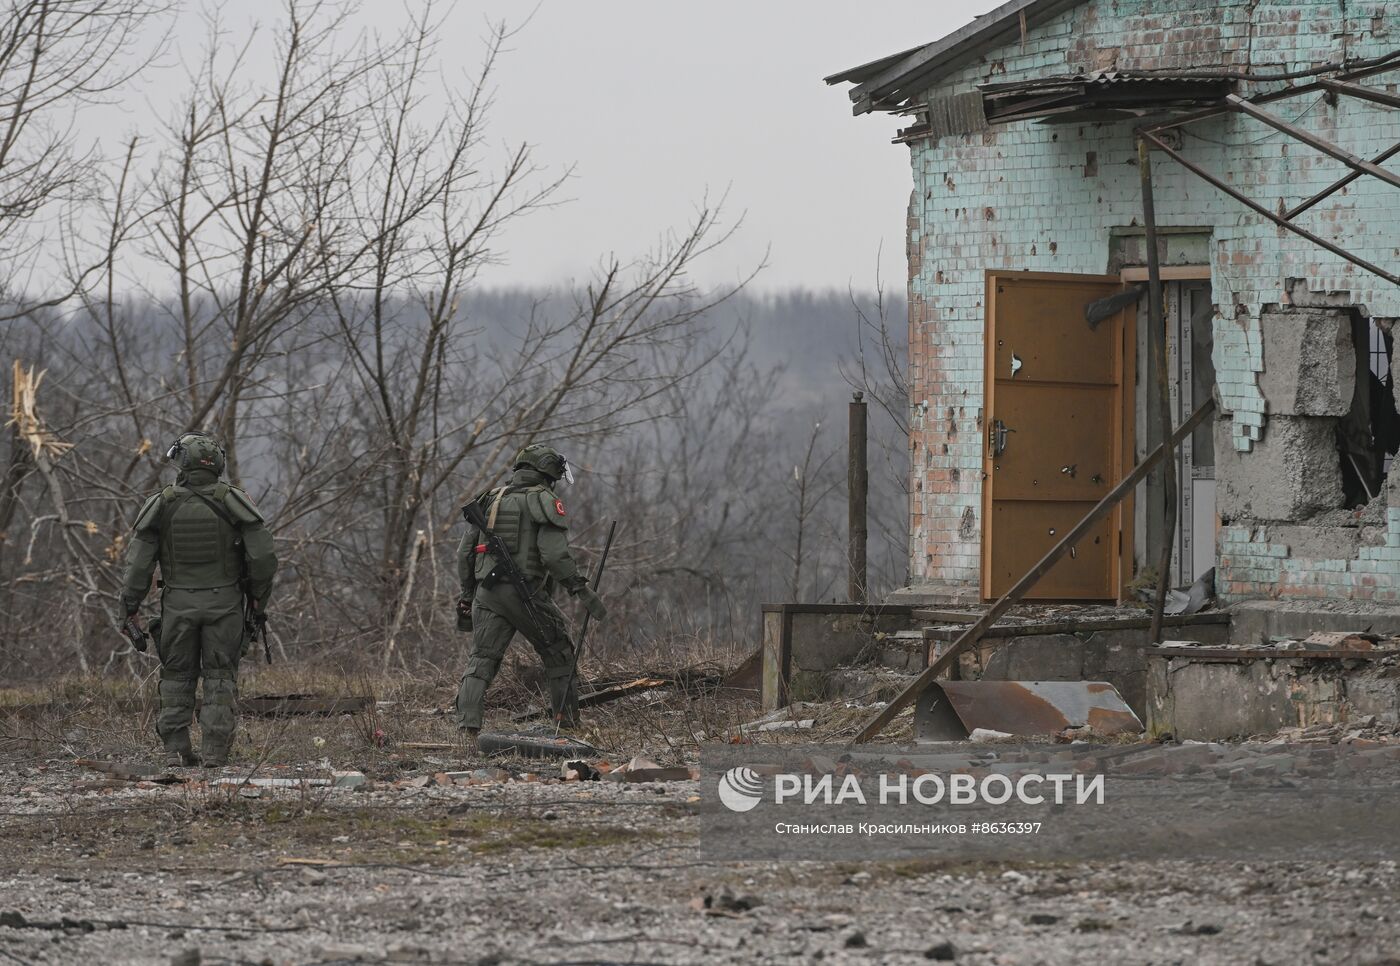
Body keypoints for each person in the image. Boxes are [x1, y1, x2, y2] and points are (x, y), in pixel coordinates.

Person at [120, 432, 277, 767]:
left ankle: (176, 750)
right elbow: (263, 558)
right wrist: (258, 602)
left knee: (176, 675)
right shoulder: (235, 501)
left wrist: (129, 608)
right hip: (226, 605)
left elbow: (137, 565)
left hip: (178, 606)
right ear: (217, 463)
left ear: (182, 461)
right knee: (221, 676)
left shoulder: (162, 503)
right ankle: (215, 753)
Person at [455, 444, 606, 744]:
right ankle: (567, 727)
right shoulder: (544, 500)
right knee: (560, 654)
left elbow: (464, 553)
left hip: (486, 592)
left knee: (482, 659)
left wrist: (468, 593)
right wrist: (579, 588)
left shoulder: (491, 498)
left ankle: (467, 729)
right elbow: (553, 555)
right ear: (548, 472)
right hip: (524, 592)